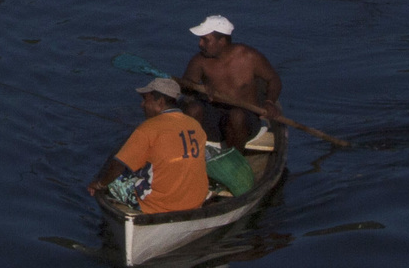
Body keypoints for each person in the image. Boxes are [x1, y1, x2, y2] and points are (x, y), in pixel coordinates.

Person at [92, 76, 211, 215]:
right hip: (195, 200)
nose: (142, 105)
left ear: (160, 102)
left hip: (158, 204)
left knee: (113, 178)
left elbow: (118, 165)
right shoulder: (195, 125)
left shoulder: (147, 129)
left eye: (145, 100)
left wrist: (99, 184)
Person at [182, 15, 282, 152]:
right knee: (193, 109)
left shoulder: (249, 57)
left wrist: (270, 102)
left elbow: (273, 79)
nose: (200, 44)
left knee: (236, 115)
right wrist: (199, 89)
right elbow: (185, 87)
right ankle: (192, 154)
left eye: (205, 40)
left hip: (245, 120)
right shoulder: (200, 60)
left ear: (221, 41)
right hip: (213, 117)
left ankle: (234, 159)